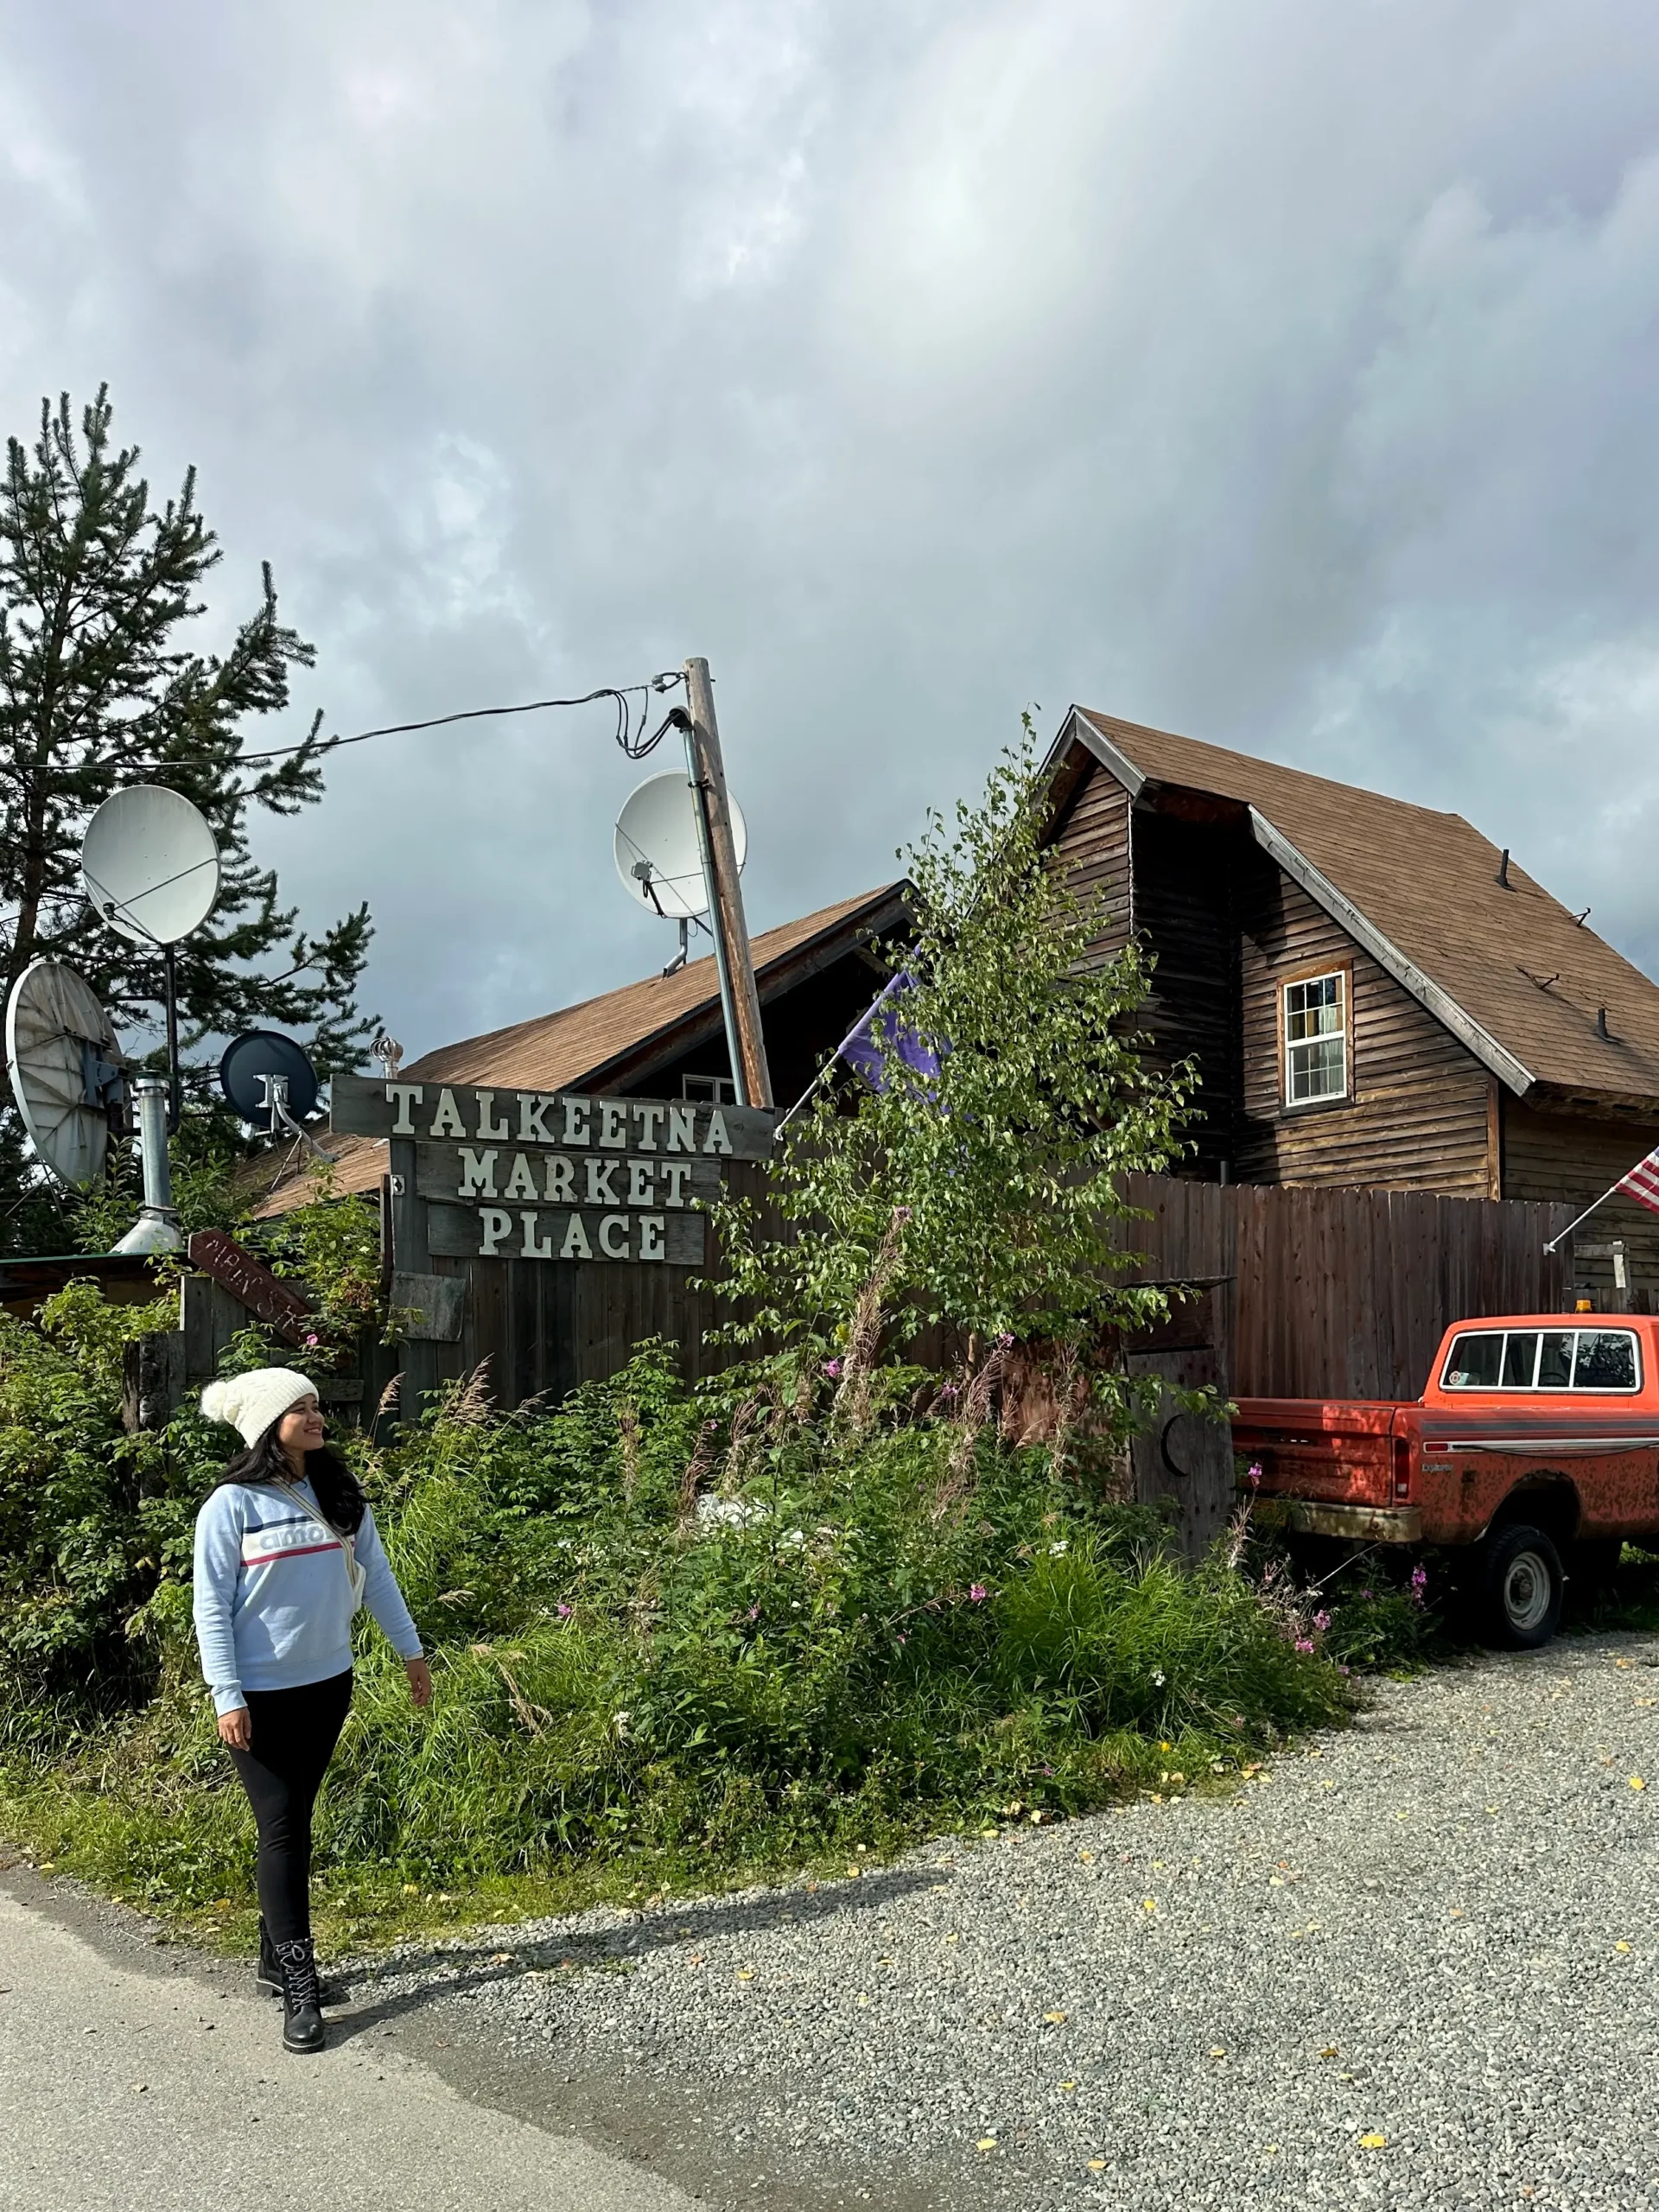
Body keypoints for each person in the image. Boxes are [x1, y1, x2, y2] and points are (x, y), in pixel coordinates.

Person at [192, 1366, 431, 2055]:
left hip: (328, 1686)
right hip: (258, 1699)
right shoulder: (230, 1506)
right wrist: (226, 1695)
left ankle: (274, 1958)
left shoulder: (338, 1495)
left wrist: (412, 1654)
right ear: (270, 1424)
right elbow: (210, 1607)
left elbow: (377, 1579)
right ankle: (300, 1985)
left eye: (316, 1406)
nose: (316, 1416)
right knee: (284, 1829)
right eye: (299, 1409)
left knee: (296, 1816)